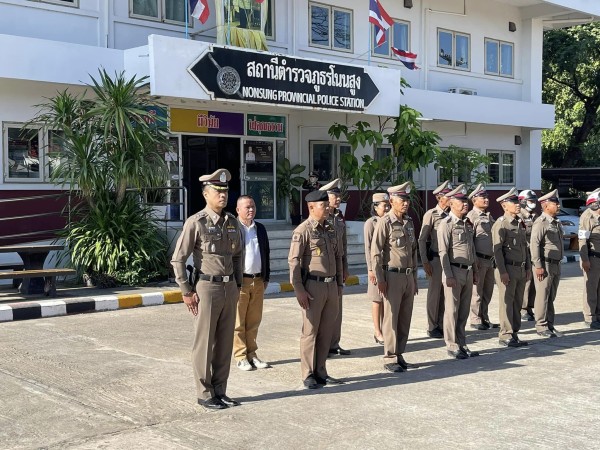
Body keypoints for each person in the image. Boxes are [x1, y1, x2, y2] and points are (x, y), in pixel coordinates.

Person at [171, 168, 243, 411]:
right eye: (217, 191)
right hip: (207, 287)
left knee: (224, 343)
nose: (223, 195)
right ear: (205, 194)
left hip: (229, 287)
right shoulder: (196, 222)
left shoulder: (232, 222)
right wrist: (186, 290)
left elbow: (237, 256)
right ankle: (204, 393)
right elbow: (178, 259)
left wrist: (238, 284)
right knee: (204, 343)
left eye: (225, 191)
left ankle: (220, 390)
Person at [288, 189, 344, 389]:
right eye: (323, 205)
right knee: (310, 332)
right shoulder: (303, 231)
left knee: (326, 331)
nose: (328, 208)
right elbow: (294, 262)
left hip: (331, 285)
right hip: (313, 287)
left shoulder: (330, 229)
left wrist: (339, 284)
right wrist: (299, 289)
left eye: (328, 205)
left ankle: (321, 371)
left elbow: (338, 257)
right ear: (311, 207)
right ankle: (308, 373)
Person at [371, 183, 418, 373]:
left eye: (407, 200)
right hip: (392, 276)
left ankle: (399, 353)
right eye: (402, 200)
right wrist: (380, 278)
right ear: (391, 201)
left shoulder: (408, 223)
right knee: (391, 318)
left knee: (405, 318)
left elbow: (413, 252)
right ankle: (390, 356)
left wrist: (414, 278)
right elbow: (376, 252)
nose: (406, 203)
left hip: (407, 276)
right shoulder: (385, 222)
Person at [438, 184, 480, 359]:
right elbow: (443, 252)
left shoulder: (467, 224)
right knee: (452, 311)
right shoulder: (446, 224)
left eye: (466, 201)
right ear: (451, 203)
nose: (465, 204)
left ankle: (462, 343)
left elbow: (472, 249)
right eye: (461, 201)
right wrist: (448, 275)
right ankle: (452, 345)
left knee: (463, 311)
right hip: (454, 272)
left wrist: (475, 271)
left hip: (468, 272)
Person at [234, 195, 272, 371]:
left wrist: (266, 277)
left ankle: (252, 354)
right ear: (238, 210)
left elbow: (266, 253)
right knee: (238, 322)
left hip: (258, 280)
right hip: (240, 281)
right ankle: (240, 356)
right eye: (247, 207)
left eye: (253, 206)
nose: (251, 210)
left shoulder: (260, 228)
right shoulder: (233, 228)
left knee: (254, 321)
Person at [492, 188, 531, 347]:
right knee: (507, 302)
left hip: (520, 269)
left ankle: (514, 332)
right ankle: (505, 335)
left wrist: (528, 267)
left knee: (517, 302)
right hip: (507, 269)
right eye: (513, 202)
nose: (517, 205)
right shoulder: (501, 223)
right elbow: (497, 250)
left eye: (518, 202)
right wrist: (502, 271)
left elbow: (525, 247)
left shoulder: (519, 223)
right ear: (504, 206)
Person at [319, 179, 351, 356]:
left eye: (339, 196)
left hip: (338, 267)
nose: (338, 199)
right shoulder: (321, 218)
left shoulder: (339, 218)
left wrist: (345, 267)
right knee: (324, 311)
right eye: (334, 196)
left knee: (337, 308)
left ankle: (334, 344)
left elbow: (343, 245)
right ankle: (322, 346)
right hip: (324, 268)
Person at [418, 180, 452, 338]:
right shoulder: (431, 214)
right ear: (439, 197)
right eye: (448, 195)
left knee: (446, 295)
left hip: (450, 261)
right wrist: (425, 261)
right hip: (436, 260)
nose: (451, 198)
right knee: (435, 294)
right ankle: (432, 326)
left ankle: (441, 323)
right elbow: (422, 239)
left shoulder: (452, 215)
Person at [531, 189, 564, 338]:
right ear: (545, 206)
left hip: (556, 264)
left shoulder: (555, 222)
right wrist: (538, 266)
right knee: (542, 296)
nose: (558, 206)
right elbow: (534, 244)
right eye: (555, 203)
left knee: (551, 296)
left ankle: (550, 325)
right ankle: (541, 326)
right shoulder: (541, 222)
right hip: (545, 264)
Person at [467, 184, 498, 330]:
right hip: (479, 260)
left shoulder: (489, 216)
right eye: (482, 197)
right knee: (477, 292)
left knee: (487, 291)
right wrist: (474, 260)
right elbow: (470, 240)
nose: (486, 200)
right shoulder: (471, 217)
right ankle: (475, 319)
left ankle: (484, 317)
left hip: (490, 260)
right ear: (474, 200)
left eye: (486, 197)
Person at [364, 192, 390, 345]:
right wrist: (370, 269)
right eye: (383, 206)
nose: (386, 209)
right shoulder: (371, 223)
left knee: (386, 300)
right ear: (375, 207)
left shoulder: (390, 221)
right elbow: (368, 248)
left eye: (388, 206)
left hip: (388, 266)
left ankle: (386, 330)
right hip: (376, 266)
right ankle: (377, 331)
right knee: (377, 299)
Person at [578, 190, 600, 329]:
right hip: (592, 258)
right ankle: (590, 317)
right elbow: (582, 240)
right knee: (591, 288)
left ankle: (598, 315)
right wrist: (585, 260)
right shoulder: (587, 217)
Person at [518, 189, 539, 321]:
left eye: (534, 201)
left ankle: (530, 306)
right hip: (524, 252)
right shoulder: (519, 216)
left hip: (534, 253)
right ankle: (523, 308)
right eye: (530, 201)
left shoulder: (535, 216)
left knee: (534, 282)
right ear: (523, 202)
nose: (533, 203)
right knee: (526, 281)